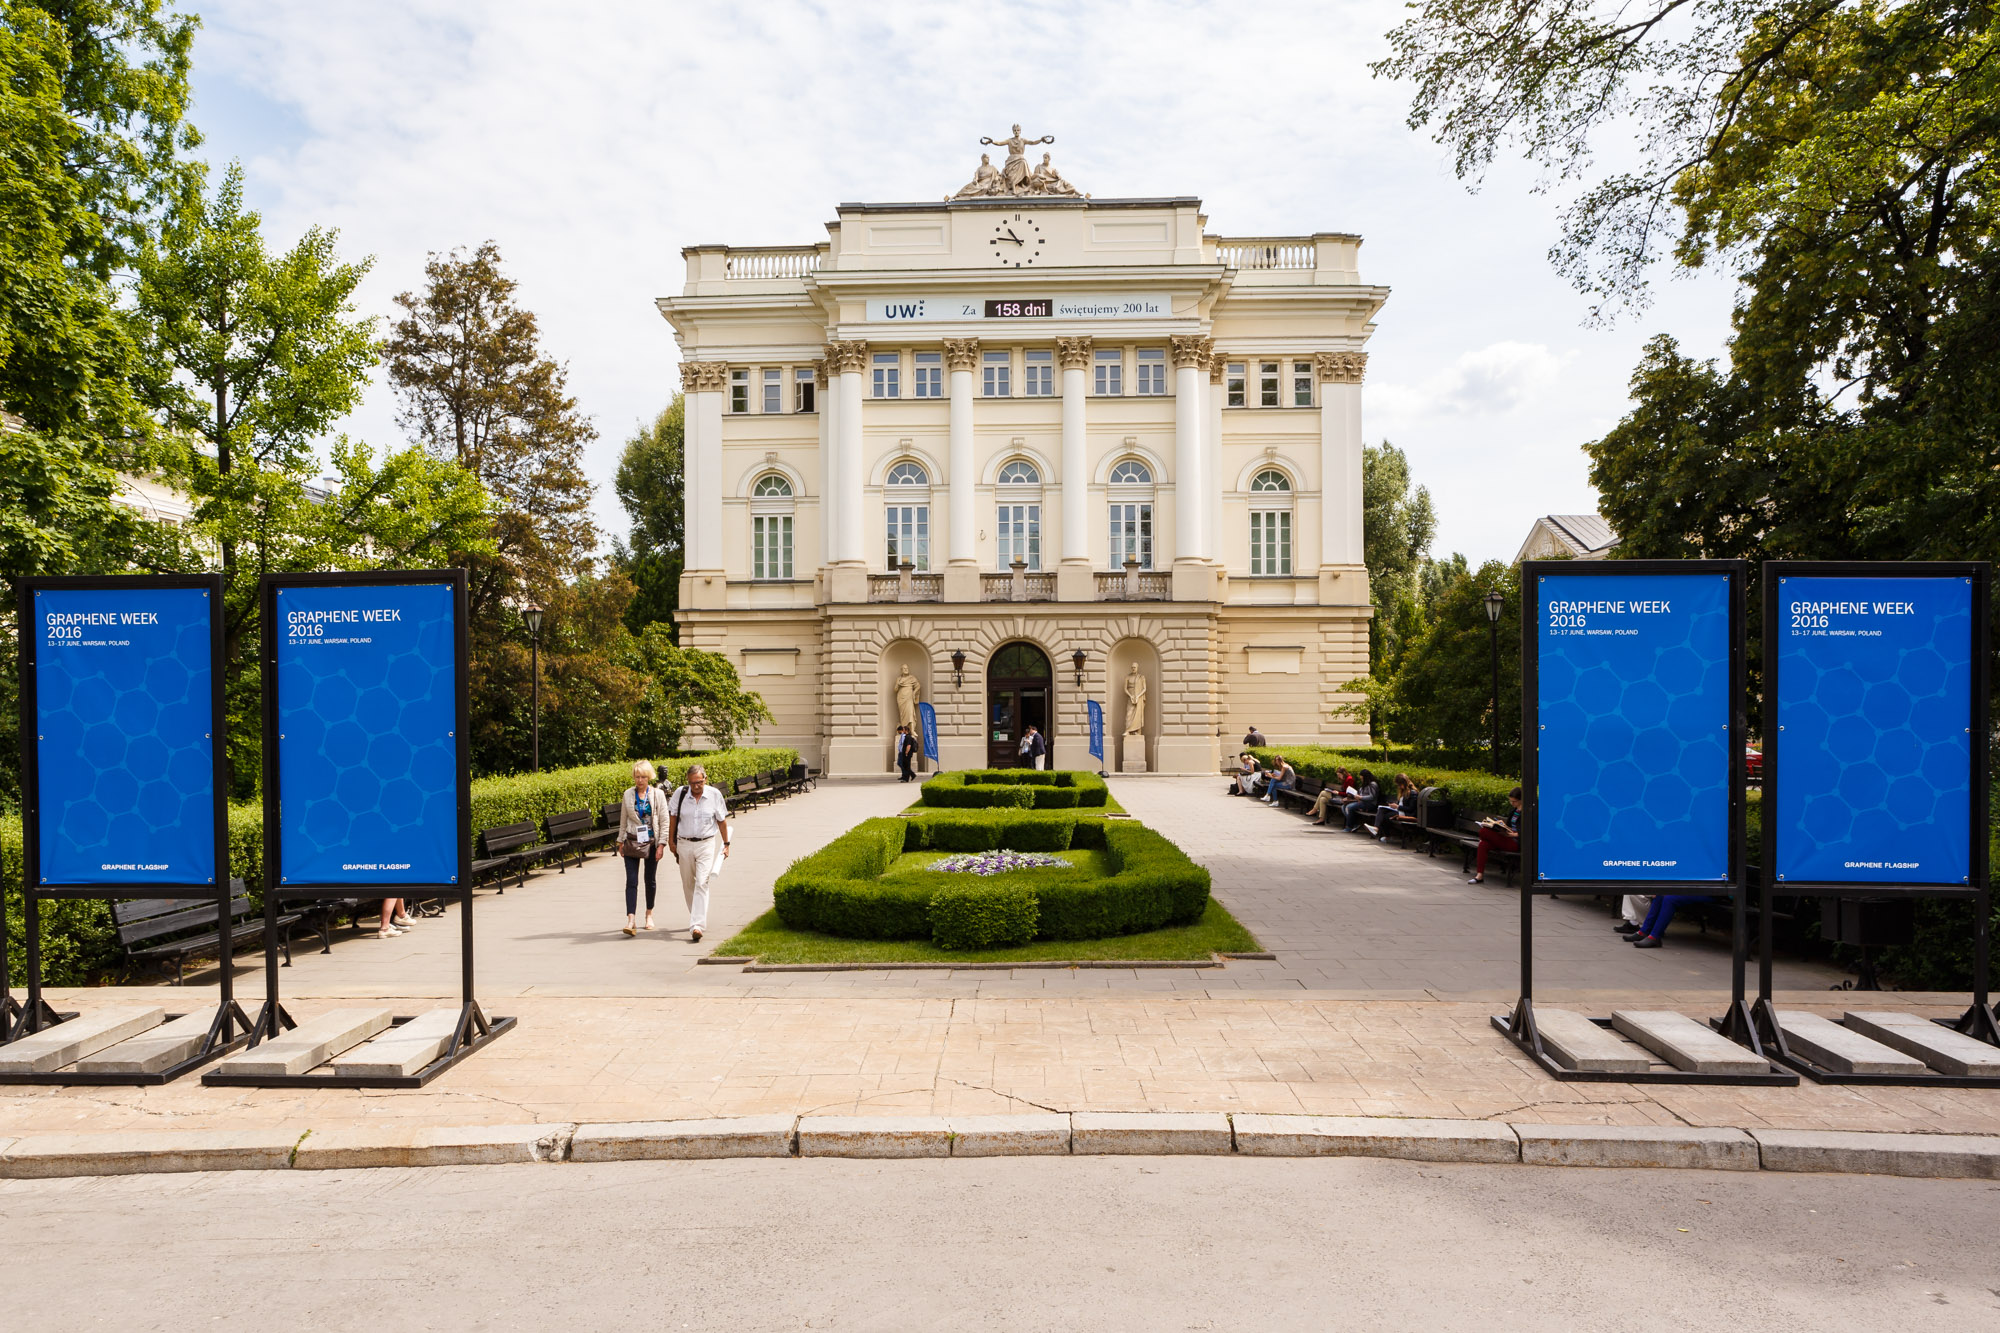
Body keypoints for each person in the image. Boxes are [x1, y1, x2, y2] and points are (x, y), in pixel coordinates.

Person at [666, 763, 731, 943]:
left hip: (706, 844)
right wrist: (671, 841)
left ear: (705, 779)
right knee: (688, 883)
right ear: (688, 781)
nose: (696, 786)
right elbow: (673, 817)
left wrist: (726, 843)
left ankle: (697, 925)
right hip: (684, 843)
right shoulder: (680, 794)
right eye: (693, 783)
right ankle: (696, 916)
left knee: (702, 881)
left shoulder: (714, 795)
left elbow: (722, 821)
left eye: (699, 782)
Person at [618, 759, 668, 935]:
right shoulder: (628, 795)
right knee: (631, 881)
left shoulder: (657, 795)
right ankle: (631, 918)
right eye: (637, 777)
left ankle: (649, 913)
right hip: (632, 840)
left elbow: (664, 820)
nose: (640, 780)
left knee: (650, 879)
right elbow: (623, 819)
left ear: (649, 778)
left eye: (643, 777)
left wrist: (662, 844)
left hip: (652, 841)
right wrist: (620, 840)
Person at [1467, 787, 1523, 884]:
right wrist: (1502, 827)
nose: (1512, 804)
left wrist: (1512, 834)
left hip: (1515, 842)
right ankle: (1479, 876)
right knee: (1483, 844)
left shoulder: (1527, 812)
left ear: (1521, 800)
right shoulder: (1514, 811)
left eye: (1514, 801)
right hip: (1507, 838)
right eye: (1510, 801)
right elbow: (1509, 826)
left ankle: (1483, 838)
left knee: (1484, 832)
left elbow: (1529, 831)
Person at [1628, 894, 1724, 948]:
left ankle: (1655, 937)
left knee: (1670, 899)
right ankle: (1644, 931)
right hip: (1695, 887)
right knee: (1660, 894)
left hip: (1714, 891)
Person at [1373, 774, 1419, 840]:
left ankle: (1385, 834)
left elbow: (1411, 808)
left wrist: (1397, 806)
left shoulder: (1413, 793)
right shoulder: (1404, 792)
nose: (1399, 787)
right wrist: (1393, 806)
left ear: (1404, 783)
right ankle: (1376, 829)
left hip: (1406, 814)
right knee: (1381, 809)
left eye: (1399, 785)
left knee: (1385, 816)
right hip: (1400, 811)